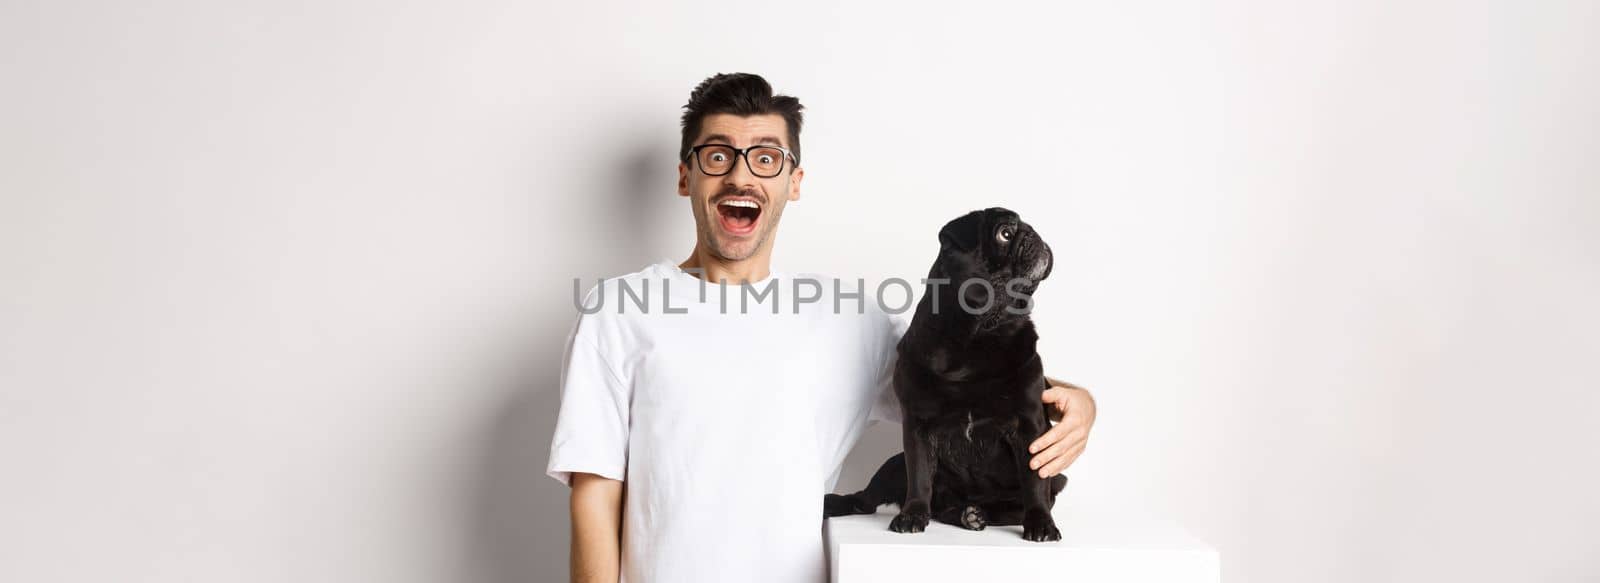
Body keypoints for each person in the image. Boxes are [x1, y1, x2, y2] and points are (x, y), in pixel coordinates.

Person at [545, 73, 1098, 583]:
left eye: (765, 158)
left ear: (794, 181)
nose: (741, 174)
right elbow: (595, 498)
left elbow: (961, 384)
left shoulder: (849, 317)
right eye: (718, 156)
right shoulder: (619, 309)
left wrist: (1079, 399)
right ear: (686, 176)